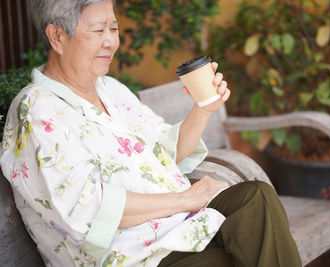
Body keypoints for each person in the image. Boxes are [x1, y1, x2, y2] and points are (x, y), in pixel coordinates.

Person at [0, 0, 301, 266]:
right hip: (136, 255)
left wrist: (205, 107)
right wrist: (185, 199)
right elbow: (88, 210)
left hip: (179, 225)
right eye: (98, 30)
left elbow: (165, 153)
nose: (110, 42)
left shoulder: (110, 90)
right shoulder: (37, 111)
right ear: (57, 36)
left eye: (113, 29)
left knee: (256, 198)